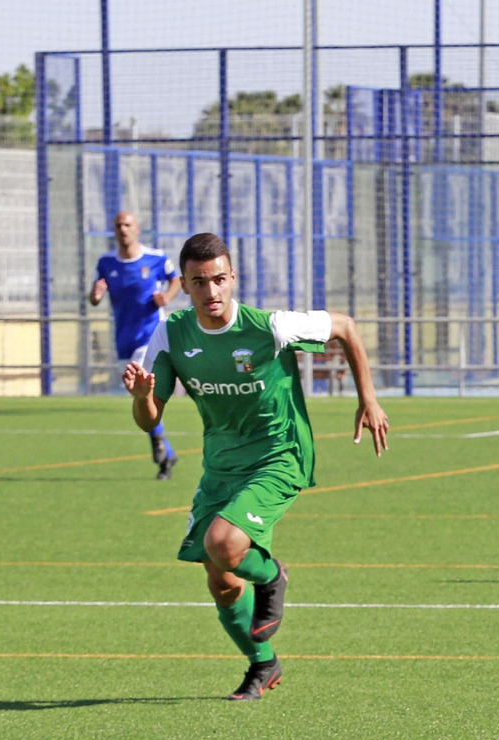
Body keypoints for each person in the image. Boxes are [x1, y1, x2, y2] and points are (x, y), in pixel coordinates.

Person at [122, 232, 389, 699]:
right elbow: (150, 422)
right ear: (183, 285)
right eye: (199, 282)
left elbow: (345, 326)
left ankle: (272, 575)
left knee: (223, 544)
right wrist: (144, 396)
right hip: (222, 464)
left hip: (278, 453)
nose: (212, 292)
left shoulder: (270, 327)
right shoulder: (171, 333)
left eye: (219, 280)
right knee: (221, 581)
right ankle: (263, 665)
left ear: (233, 279)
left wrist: (368, 397)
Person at [91, 211, 182, 478]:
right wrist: (95, 296)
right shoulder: (106, 262)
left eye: (128, 224)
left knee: (143, 390)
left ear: (137, 229)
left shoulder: (155, 258)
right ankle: (167, 451)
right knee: (137, 394)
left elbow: (176, 279)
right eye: (118, 225)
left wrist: (167, 296)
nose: (123, 229)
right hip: (123, 338)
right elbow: (96, 294)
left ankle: (160, 449)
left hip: (150, 335)